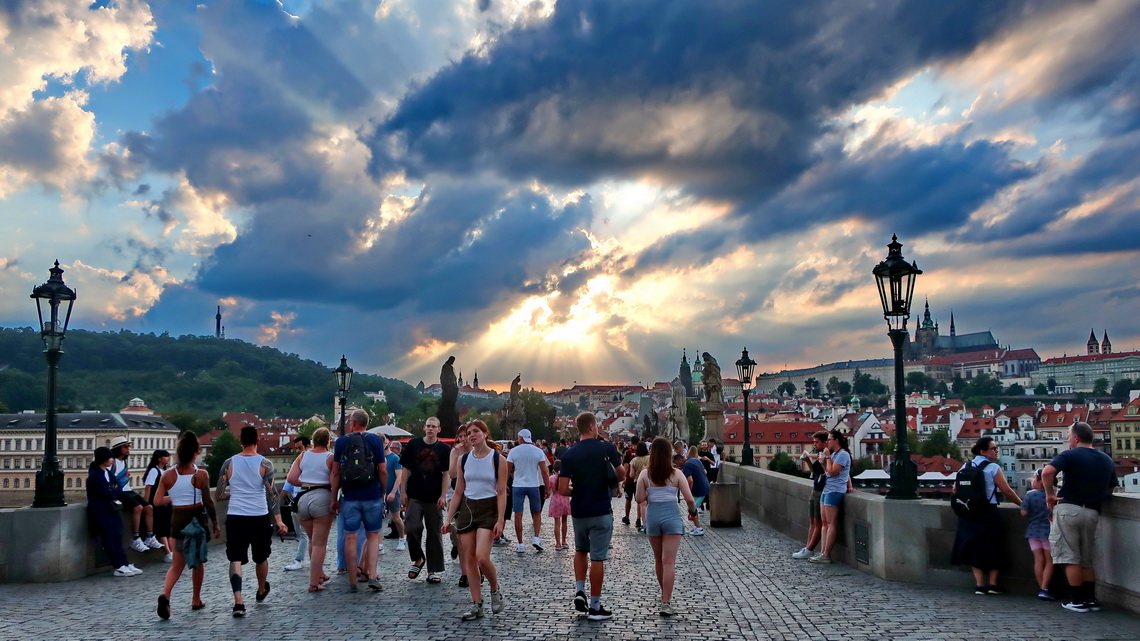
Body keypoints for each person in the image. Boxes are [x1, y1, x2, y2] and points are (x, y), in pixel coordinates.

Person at [1041, 421, 1116, 613]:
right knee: (1085, 558)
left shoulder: (1069, 454)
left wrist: (1049, 494)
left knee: (1070, 557)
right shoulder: (1106, 459)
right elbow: (1110, 487)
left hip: (1069, 508)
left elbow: (1047, 471)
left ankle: (1077, 600)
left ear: (1076, 438)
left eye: (1068, 435)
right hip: (1092, 512)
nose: (1068, 439)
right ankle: (1091, 600)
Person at [216, 425, 288, 616]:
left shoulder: (229, 463)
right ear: (257, 441)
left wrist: (236, 494)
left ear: (240, 441)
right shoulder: (265, 464)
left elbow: (220, 494)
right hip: (259, 515)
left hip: (236, 515)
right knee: (261, 556)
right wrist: (279, 521)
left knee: (235, 557)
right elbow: (273, 495)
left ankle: (238, 601)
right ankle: (261, 588)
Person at [558, 411, 624, 621]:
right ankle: (595, 606)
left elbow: (562, 488)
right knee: (597, 557)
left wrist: (576, 491)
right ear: (592, 426)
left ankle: (579, 591)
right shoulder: (607, 448)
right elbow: (621, 474)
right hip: (601, 509)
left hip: (579, 510)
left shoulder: (569, 454)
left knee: (580, 550)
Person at [443, 420, 508, 620]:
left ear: (485, 433)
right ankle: (477, 604)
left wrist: (501, 520)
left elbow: (501, 492)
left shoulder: (498, 459)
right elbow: (458, 492)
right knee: (469, 559)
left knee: (481, 556)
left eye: (476, 431)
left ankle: (495, 589)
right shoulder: (464, 460)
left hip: (489, 509)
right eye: (468, 432)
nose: (471, 435)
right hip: (468, 508)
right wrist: (448, 518)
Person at [153, 432, 220, 618]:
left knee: (176, 565)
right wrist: (215, 523)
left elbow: (157, 501)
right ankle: (196, 599)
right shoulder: (201, 474)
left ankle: (165, 594)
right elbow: (208, 502)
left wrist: (174, 496)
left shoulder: (167, 475)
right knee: (197, 563)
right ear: (195, 453)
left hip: (176, 523)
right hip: (196, 522)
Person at [950, 436, 1021, 594]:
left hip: (969, 512)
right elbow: (1007, 491)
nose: (997, 451)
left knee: (974, 547)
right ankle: (993, 584)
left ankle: (980, 585)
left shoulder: (965, 466)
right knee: (994, 546)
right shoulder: (993, 468)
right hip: (988, 511)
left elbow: (955, 489)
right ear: (984, 451)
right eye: (994, 448)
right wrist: (1022, 504)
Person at [635, 437, 698, 616]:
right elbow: (690, 499)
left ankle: (664, 593)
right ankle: (666, 601)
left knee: (658, 560)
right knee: (669, 561)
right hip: (672, 517)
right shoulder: (677, 474)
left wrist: (648, 490)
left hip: (653, 517)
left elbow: (639, 499)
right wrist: (692, 512)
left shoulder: (645, 474)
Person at [330, 408, 387, 593]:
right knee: (372, 537)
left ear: (353, 423)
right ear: (367, 423)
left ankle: (353, 580)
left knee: (350, 537)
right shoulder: (376, 440)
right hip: (372, 495)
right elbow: (383, 470)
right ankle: (371, 575)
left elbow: (336, 472)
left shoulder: (342, 441)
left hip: (350, 496)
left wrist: (334, 497)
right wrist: (383, 492)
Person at [396, 416, 452, 584]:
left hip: (434, 498)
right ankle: (418, 559)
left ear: (438, 430)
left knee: (434, 534)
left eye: (433, 426)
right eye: (428, 426)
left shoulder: (444, 449)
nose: (430, 429)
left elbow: (446, 474)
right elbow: (405, 469)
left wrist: (443, 495)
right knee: (411, 527)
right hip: (415, 495)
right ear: (424, 427)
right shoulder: (414, 445)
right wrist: (403, 491)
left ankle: (433, 570)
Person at [286, 427, 335, 593]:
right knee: (320, 543)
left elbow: (291, 478)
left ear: (313, 441)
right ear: (328, 441)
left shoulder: (303, 455)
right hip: (321, 498)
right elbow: (334, 481)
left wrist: (307, 483)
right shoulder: (330, 457)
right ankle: (314, 583)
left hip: (302, 499)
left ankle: (320, 573)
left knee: (313, 540)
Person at [87, 447, 140, 578]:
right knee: (109, 538)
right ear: (103, 459)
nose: (112, 460)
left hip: (111, 509)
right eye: (110, 457)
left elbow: (117, 488)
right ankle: (118, 566)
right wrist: (113, 490)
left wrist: (113, 490)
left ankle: (124, 563)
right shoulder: (95, 475)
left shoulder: (108, 473)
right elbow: (106, 492)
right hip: (101, 511)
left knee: (117, 537)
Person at [109, 435, 160, 552]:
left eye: (128, 446)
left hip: (127, 489)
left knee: (149, 507)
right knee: (138, 508)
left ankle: (149, 536)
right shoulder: (113, 462)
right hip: (120, 491)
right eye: (125, 447)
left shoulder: (124, 462)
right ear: (118, 449)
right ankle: (135, 538)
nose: (128, 449)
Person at [813, 430, 855, 564]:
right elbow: (828, 471)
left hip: (835, 490)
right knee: (824, 523)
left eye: (830, 439)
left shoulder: (843, 454)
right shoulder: (836, 454)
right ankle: (823, 552)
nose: (827, 442)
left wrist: (828, 459)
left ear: (836, 440)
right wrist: (823, 463)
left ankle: (826, 554)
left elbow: (834, 472)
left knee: (831, 523)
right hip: (827, 489)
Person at [507, 428, 550, 553]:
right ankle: (536, 538)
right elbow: (544, 471)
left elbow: (507, 468)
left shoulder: (514, 451)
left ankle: (520, 544)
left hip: (518, 485)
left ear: (520, 438)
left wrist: (505, 484)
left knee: (518, 514)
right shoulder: (538, 451)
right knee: (537, 512)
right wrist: (547, 487)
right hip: (533, 485)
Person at [793, 431, 829, 560]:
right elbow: (816, 472)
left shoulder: (828, 455)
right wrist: (808, 461)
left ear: (825, 442)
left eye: (816, 442)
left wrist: (824, 461)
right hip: (816, 487)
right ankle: (807, 548)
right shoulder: (820, 453)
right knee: (812, 521)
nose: (814, 444)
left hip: (823, 489)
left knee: (818, 522)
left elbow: (830, 472)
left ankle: (809, 549)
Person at [1020, 468, 1056, 601]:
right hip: (1049, 532)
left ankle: (1042, 588)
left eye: (1034, 478)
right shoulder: (1056, 493)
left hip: (1033, 532)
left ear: (1041, 482)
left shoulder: (1030, 495)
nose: (1032, 481)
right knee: (1049, 561)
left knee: (1038, 560)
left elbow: (1023, 513)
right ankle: (1045, 589)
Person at [447, 423, 473, 586]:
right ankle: (465, 573)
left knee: (474, 537)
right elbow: (451, 473)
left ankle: (475, 568)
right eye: (461, 436)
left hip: (475, 497)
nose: (463, 439)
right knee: (461, 536)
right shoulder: (455, 452)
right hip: (458, 495)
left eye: (466, 435)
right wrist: (458, 456)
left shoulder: (477, 451)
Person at [283, 435, 312, 572]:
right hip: (297, 501)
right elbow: (288, 485)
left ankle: (299, 559)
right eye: (296, 448)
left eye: (300, 448)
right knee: (302, 534)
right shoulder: (298, 461)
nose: (298, 451)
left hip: (307, 500)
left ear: (308, 446)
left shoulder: (311, 461)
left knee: (303, 534)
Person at [143, 448, 174, 563]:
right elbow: (148, 487)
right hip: (157, 502)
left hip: (165, 502)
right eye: (165, 456)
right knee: (161, 528)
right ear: (159, 458)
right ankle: (168, 552)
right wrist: (147, 503)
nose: (167, 458)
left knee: (167, 528)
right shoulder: (154, 471)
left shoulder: (164, 471)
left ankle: (171, 551)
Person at [381, 438, 406, 555]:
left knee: (396, 517)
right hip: (379, 492)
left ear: (388, 443)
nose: (383, 444)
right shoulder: (377, 457)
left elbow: (399, 476)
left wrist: (393, 492)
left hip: (392, 492)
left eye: (385, 442)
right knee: (377, 519)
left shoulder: (395, 458)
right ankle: (378, 543)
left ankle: (402, 538)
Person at [682, 446, 710, 535]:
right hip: (705, 486)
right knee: (695, 508)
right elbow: (705, 471)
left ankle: (699, 528)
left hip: (699, 489)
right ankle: (695, 527)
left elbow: (690, 480)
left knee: (691, 509)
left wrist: (688, 492)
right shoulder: (697, 461)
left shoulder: (686, 464)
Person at [547, 460, 571, 550]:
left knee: (557, 523)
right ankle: (564, 541)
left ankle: (557, 543)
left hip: (556, 500)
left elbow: (548, 490)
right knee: (565, 521)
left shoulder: (551, 478)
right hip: (565, 499)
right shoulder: (566, 478)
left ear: (554, 469)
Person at [628, 442, 650, 532]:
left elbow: (631, 475)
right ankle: (650, 523)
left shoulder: (634, 460)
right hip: (650, 481)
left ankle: (644, 524)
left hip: (638, 482)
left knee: (642, 504)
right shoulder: (650, 458)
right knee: (649, 503)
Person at [620, 435, 641, 526]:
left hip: (629, 479)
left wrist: (623, 478)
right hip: (640, 480)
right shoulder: (643, 452)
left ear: (631, 443)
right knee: (639, 501)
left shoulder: (628, 452)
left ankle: (627, 517)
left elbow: (626, 466)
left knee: (628, 499)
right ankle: (638, 519)